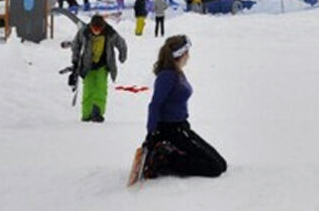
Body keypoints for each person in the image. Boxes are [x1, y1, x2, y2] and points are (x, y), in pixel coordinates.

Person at [142, 35, 227, 179]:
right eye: (187, 52)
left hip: (182, 127)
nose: (189, 56)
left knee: (221, 164)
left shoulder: (177, 72)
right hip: (171, 130)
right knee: (215, 167)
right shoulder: (167, 76)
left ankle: (172, 154)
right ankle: (165, 160)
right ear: (182, 54)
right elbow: (155, 105)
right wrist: (151, 133)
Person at [68, 14, 127, 123]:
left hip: (103, 65)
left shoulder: (110, 32)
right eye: (94, 29)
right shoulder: (84, 32)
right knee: (88, 89)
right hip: (88, 65)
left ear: (103, 26)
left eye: (99, 29)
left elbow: (121, 43)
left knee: (101, 88)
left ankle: (98, 111)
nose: (96, 31)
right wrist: (75, 61)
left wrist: (122, 55)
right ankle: (86, 113)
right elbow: (75, 45)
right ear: (90, 26)